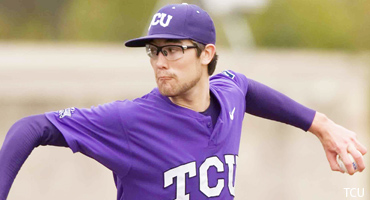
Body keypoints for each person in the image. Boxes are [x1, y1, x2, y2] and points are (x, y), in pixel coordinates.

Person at [0, 3, 367, 200]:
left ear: (207, 53)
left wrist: (322, 126)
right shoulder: (130, 120)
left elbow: (246, 87)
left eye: (173, 50)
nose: (160, 62)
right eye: (154, 51)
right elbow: (29, 127)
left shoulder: (228, 94)